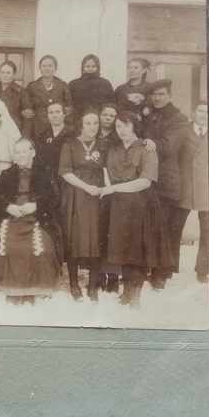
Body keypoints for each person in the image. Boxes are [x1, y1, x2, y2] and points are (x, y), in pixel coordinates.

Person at [103, 111, 173, 306]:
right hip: (119, 206)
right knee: (122, 250)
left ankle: (136, 296)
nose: (121, 130)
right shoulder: (113, 149)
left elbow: (144, 182)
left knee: (138, 252)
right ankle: (126, 293)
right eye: (117, 126)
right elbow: (109, 174)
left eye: (125, 125)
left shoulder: (146, 148)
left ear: (134, 125)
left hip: (141, 205)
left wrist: (114, 188)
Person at [0, 138, 64, 304]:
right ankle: (13, 289)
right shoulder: (7, 173)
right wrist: (8, 207)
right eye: (17, 152)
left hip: (38, 218)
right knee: (10, 247)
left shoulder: (45, 171)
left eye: (24, 151)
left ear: (33, 152)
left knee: (42, 248)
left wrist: (36, 205)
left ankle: (34, 288)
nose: (21, 155)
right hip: (13, 217)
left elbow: (54, 198)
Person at [142, 78, 192, 287]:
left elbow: (169, 147)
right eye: (154, 94)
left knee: (166, 229)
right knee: (153, 227)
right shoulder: (151, 115)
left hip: (168, 181)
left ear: (169, 95)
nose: (157, 97)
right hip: (151, 179)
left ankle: (162, 274)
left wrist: (150, 142)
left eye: (161, 94)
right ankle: (155, 269)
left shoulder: (178, 119)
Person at [59, 110, 105, 301]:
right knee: (74, 239)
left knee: (96, 238)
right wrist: (87, 187)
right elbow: (65, 172)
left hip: (97, 196)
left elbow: (109, 169)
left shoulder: (104, 145)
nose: (92, 127)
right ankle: (74, 283)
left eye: (95, 123)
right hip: (76, 195)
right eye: (88, 123)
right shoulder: (69, 144)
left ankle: (93, 285)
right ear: (81, 125)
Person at [180, 102, 209, 283]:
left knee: (207, 231)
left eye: (208, 112)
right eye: (200, 111)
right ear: (194, 112)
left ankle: (202, 270)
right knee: (174, 228)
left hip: (206, 187)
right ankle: (164, 270)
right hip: (184, 186)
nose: (204, 114)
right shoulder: (184, 131)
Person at [95, 102, 120, 293]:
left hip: (112, 188)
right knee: (97, 232)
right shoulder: (92, 133)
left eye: (112, 116)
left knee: (111, 232)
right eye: (105, 114)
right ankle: (98, 274)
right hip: (93, 188)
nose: (108, 118)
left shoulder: (118, 138)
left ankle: (112, 275)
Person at [20, 55, 72, 140]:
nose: (47, 68)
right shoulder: (32, 86)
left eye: (50, 66)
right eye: (44, 66)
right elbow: (27, 110)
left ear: (55, 68)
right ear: (40, 68)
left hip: (58, 130)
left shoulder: (62, 85)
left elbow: (69, 108)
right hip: (38, 130)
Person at [34, 100, 74, 179]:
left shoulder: (73, 134)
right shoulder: (42, 136)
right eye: (51, 112)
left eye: (58, 112)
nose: (54, 115)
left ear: (64, 114)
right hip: (48, 178)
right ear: (47, 116)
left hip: (67, 177)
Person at [68, 54, 114, 119]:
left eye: (93, 66)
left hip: (99, 119)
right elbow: (69, 104)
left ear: (98, 67)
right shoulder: (73, 84)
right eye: (87, 66)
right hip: (79, 119)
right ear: (83, 67)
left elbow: (111, 104)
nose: (90, 68)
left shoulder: (105, 83)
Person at [0, 59, 23, 128]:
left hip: (14, 131)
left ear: (14, 75)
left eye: (8, 73)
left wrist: (24, 137)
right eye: (2, 72)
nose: (5, 75)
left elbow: (27, 118)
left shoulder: (21, 92)